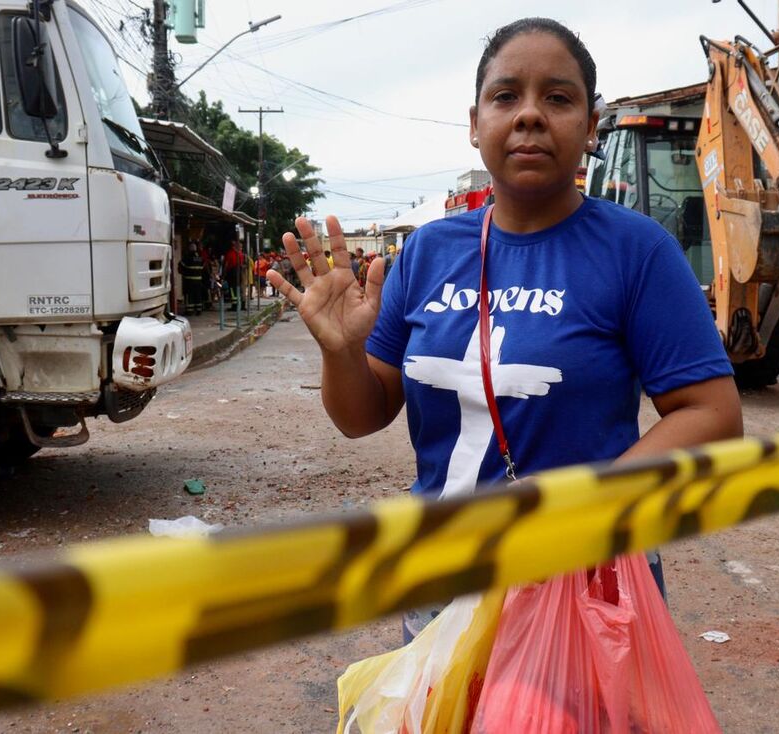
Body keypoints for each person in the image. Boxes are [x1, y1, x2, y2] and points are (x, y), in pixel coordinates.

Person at [269, 17, 741, 643]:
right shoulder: (428, 253)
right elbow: (362, 414)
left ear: (591, 126)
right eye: (505, 96)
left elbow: (712, 413)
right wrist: (344, 352)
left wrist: (586, 516)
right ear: (474, 124)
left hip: (587, 584)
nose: (529, 115)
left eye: (558, 97)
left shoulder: (637, 251)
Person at [178, 241, 205, 315]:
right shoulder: (200, 257)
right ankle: (199, 309)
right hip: (198, 280)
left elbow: (180, 265)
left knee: (189, 295)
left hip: (189, 280)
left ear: (190, 249)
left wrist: (182, 272)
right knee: (198, 295)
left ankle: (189, 310)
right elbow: (203, 267)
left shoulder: (187, 257)